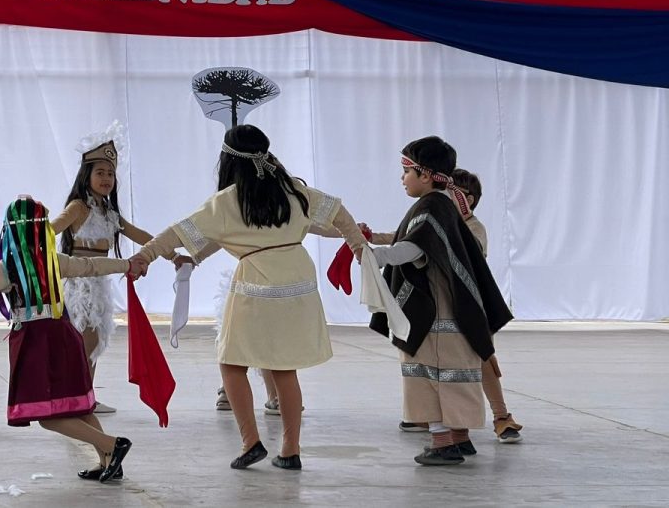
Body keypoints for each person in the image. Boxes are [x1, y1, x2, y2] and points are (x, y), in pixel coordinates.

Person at [135, 124, 368, 471]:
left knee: (231, 363)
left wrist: (145, 257)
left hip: (256, 286)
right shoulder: (292, 191)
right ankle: (290, 448)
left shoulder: (227, 202)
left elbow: (179, 232)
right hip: (298, 283)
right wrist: (359, 246)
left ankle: (251, 442)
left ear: (228, 161)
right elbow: (338, 212)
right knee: (283, 367)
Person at [0, 196, 139, 483]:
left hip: (36, 340)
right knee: (78, 404)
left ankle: (112, 445)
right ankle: (107, 461)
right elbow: (91, 265)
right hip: (64, 334)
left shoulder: (7, 268)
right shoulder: (54, 260)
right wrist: (127, 265)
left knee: (48, 415)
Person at [365, 137, 512, 466]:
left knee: (429, 371)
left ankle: (443, 441)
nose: (402, 179)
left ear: (426, 174)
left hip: (433, 312)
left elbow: (416, 248)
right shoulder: (444, 206)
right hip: (454, 310)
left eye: (406, 171)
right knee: (456, 371)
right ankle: (460, 438)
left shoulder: (431, 206)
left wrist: (378, 256)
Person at [52, 122, 177, 413]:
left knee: (93, 345)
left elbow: (142, 236)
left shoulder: (109, 211)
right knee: (84, 344)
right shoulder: (78, 207)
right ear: (87, 175)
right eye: (100, 172)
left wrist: (172, 254)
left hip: (99, 285)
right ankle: (77, 399)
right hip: (78, 286)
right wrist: (28, 232)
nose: (106, 178)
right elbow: (53, 228)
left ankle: (85, 397)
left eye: (110, 173)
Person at [450, 168, 523, 444]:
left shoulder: (474, 228)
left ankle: (501, 416)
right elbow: (403, 234)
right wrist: (371, 237)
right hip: (444, 304)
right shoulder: (439, 220)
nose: (458, 199)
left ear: (472, 199)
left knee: (483, 358)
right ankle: (432, 415)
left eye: (463, 195)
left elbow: (467, 256)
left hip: (472, 304)